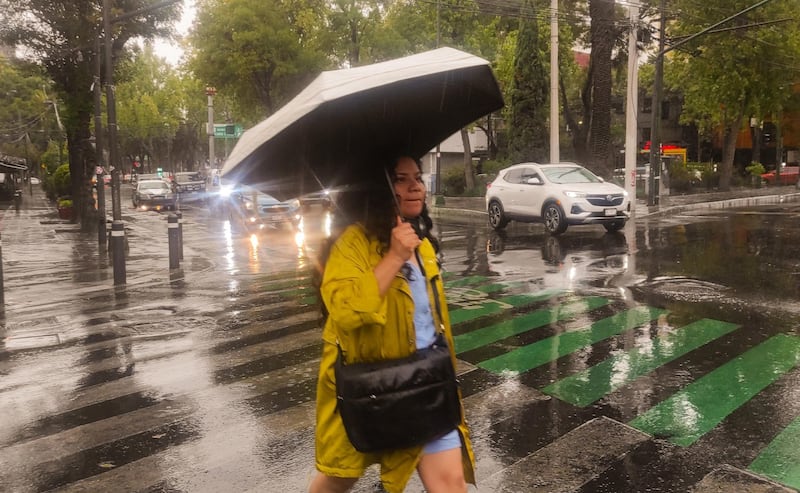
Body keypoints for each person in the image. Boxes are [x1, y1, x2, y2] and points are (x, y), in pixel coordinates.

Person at [309, 156, 476, 493]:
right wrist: (394, 256)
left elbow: (433, 320)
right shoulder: (352, 244)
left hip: (425, 384)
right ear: (379, 188)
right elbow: (345, 311)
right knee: (338, 478)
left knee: (451, 484)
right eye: (401, 179)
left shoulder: (422, 243)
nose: (415, 186)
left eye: (418, 177)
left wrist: (447, 376)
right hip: (368, 391)